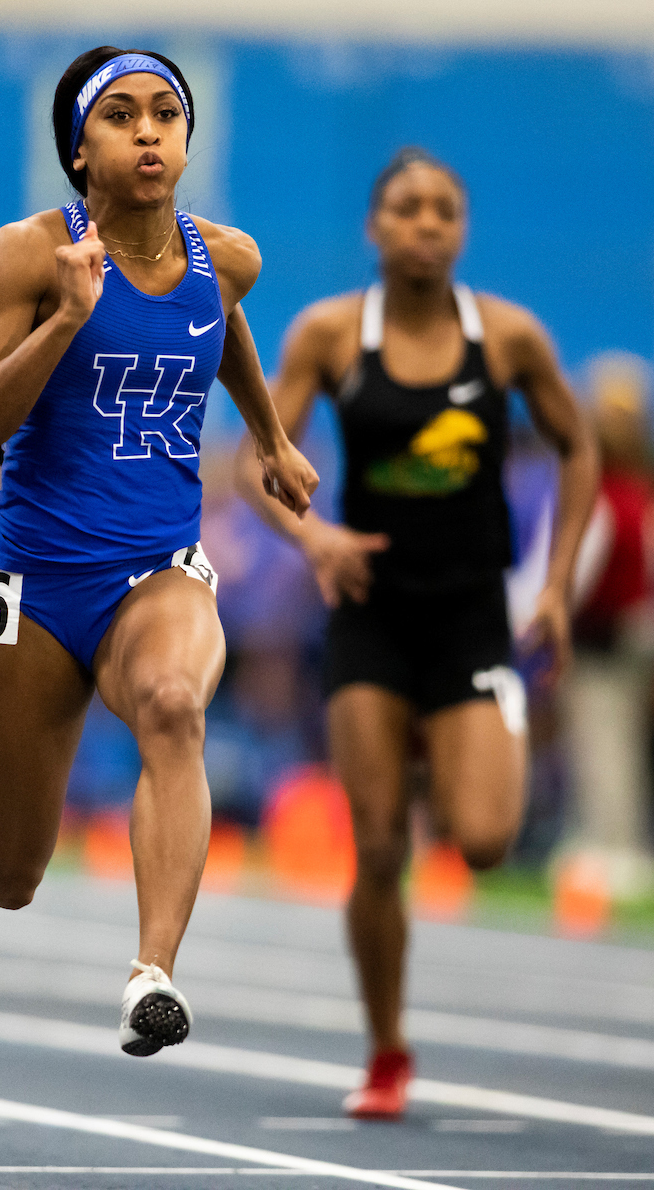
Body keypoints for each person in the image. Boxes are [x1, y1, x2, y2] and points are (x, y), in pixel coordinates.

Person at [0, 45, 318, 1058]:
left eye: (165, 114)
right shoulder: (23, 256)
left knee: (176, 706)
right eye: (121, 116)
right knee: (11, 874)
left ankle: (154, 976)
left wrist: (268, 436)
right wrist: (64, 319)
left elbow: (216, 324)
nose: (148, 131)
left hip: (156, 569)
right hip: (32, 581)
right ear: (79, 149)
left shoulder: (226, 256)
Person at [236, 147, 597, 1116]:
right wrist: (312, 539)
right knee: (380, 847)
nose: (426, 223)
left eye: (444, 209)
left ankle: (460, 741)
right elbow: (254, 462)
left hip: (471, 618)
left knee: (480, 840)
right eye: (406, 207)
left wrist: (555, 583)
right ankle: (386, 1050)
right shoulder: (330, 335)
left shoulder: (507, 338)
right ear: (373, 226)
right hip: (369, 620)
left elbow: (577, 444)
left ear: (462, 228)